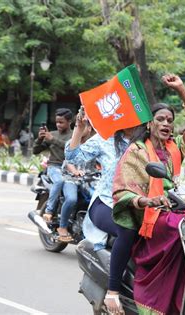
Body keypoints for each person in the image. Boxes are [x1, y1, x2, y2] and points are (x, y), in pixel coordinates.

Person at [112, 74, 185, 315]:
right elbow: (123, 191)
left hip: (175, 208)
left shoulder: (176, 147)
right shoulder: (137, 151)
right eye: (160, 119)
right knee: (182, 228)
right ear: (149, 124)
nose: (166, 124)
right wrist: (149, 200)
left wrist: (182, 89)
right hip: (151, 214)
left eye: (170, 121)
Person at [65, 110, 137, 315]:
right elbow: (73, 156)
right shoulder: (106, 140)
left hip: (139, 205)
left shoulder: (146, 143)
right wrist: (79, 130)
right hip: (106, 202)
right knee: (127, 229)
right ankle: (113, 291)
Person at [33, 108, 75, 242]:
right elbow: (35, 151)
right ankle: (49, 211)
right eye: (57, 122)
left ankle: (64, 226)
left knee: (72, 199)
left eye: (61, 122)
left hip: (70, 170)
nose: (58, 125)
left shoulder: (75, 135)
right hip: (54, 167)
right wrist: (40, 139)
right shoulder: (52, 134)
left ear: (69, 122)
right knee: (59, 181)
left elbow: (71, 148)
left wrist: (53, 140)